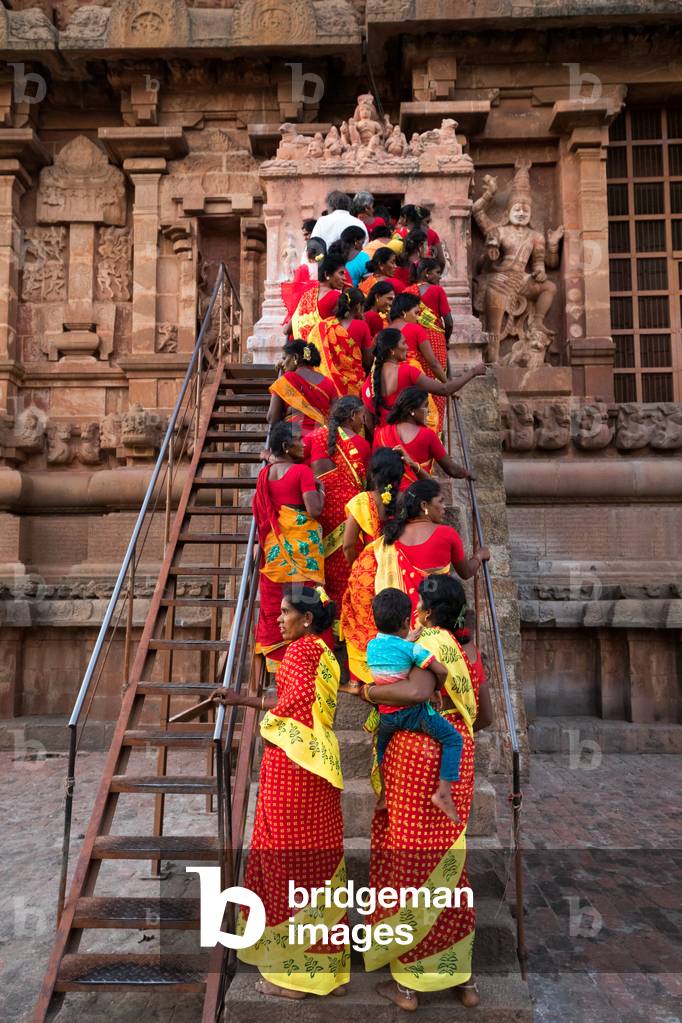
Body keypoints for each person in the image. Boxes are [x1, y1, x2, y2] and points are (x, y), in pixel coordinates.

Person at [213, 585, 349, 999]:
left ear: (306, 619)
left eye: (285, 612)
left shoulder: (300, 652)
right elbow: (292, 700)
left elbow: (296, 704)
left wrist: (258, 712)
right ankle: (328, 969)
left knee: (289, 864)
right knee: (318, 865)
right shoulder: (323, 652)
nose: (277, 617)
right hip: (319, 764)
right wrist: (243, 699)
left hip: (295, 770)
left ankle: (296, 979)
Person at [360, 574, 488, 1011]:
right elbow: (484, 715)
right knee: (451, 862)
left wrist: (370, 691)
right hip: (457, 753)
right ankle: (464, 980)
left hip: (418, 754)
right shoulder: (467, 651)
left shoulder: (429, 641)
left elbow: (416, 691)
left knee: (412, 862)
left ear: (428, 611)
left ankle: (409, 986)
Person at [340, 478, 488, 685]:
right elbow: (465, 571)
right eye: (441, 501)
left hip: (399, 629)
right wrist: (479, 557)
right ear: (424, 506)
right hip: (436, 623)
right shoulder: (447, 534)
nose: (444, 507)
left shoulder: (388, 539)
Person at [367, 588, 464, 822]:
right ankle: (443, 793)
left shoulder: (371, 646)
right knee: (453, 739)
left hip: (386, 716)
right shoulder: (412, 649)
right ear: (405, 621)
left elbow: (393, 651)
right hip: (412, 714)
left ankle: (383, 795)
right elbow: (440, 670)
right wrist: (435, 689)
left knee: (381, 751)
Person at [253, 423, 325, 670]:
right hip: (299, 546)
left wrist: (268, 457)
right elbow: (314, 510)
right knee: (304, 599)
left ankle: (276, 656)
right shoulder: (301, 472)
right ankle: (304, 657)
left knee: (276, 600)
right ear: (286, 446)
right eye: (299, 440)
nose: (304, 444)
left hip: (274, 546)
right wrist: (321, 491)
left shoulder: (265, 474)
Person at [309, 396, 370, 608]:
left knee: (323, 569)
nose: (363, 422)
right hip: (349, 516)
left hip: (319, 509)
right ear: (353, 416)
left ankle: (322, 618)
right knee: (345, 571)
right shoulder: (361, 445)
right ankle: (345, 623)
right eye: (362, 416)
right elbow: (367, 483)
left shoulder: (313, 437)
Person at [362, 328, 486, 428]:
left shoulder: (371, 380)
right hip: (405, 444)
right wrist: (474, 371)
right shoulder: (408, 371)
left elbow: (368, 420)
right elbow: (444, 389)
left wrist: (382, 437)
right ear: (392, 350)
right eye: (403, 343)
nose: (407, 347)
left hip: (381, 446)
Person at [373, 387, 471, 490]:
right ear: (412, 411)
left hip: (388, 496)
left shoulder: (381, 434)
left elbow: (374, 469)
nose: (428, 411)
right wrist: (468, 473)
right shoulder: (428, 435)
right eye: (425, 406)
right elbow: (452, 470)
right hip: (418, 497)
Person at [389, 291, 446, 430]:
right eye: (416, 313)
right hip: (411, 380)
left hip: (390, 380)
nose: (418, 318)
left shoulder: (384, 331)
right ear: (404, 312)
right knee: (427, 419)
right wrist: (447, 383)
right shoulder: (415, 329)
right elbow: (433, 362)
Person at [342, 446, 404, 565]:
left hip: (372, 571)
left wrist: (358, 568)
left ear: (372, 474)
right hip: (401, 569)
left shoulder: (361, 501)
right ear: (400, 474)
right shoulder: (407, 499)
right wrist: (414, 465)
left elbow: (348, 546)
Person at [267, 340, 338, 439]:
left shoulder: (286, 380)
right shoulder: (329, 383)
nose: (282, 363)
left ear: (295, 358)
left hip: (294, 441)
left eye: (284, 358)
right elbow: (335, 417)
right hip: (321, 439)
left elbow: (272, 418)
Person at [306, 288, 371, 396]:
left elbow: (308, 351)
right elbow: (368, 361)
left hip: (327, 384)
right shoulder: (362, 326)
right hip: (354, 386)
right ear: (359, 306)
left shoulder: (323, 325)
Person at [289, 254, 347, 342]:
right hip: (320, 352)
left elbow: (286, 329)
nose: (345, 278)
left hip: (300, 350)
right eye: (341, 273)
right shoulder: (336, 297)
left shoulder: (307, 295)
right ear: (327, 274)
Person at [281, 238, 326, 322]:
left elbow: (295, 292)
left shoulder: (303, 269)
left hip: (306, 311)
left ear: (307, 252)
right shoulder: (325, 269)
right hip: (321, 308)